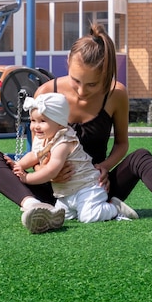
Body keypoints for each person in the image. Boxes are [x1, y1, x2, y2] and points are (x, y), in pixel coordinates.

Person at [0, 23, 152, 234]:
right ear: (67, 62)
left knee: (140, 156)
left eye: (92, 84)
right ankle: (35, 207)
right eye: (76, 81)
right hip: (52, 187)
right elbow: (38, 147)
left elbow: (122, 144)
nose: (81, 90)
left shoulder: (116, 94)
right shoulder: (47, 93)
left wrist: (104, 168)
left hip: (97, 188)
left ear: (107, 75)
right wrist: (48, 171)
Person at [12, 92, 139, 228]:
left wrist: (27, 178)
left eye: (43, 121)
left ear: (60, 124)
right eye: (33, 120)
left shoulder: (63, 142)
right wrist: (18, 164)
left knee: (88, 217)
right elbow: (33, 155)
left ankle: (115, 208)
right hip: (65, 192)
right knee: (60, 215)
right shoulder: (43, 138)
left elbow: (51, 171)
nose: (36, 126)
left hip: (87, 187)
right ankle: (77, 209)